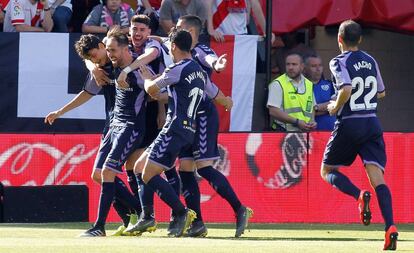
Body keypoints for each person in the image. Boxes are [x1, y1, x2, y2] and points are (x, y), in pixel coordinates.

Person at [173, 14, 253, 238]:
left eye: (178, 28)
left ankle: (239, 209)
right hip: (187, 116)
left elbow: (211, 60)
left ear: (190, 33)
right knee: (185, 169)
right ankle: (197, 222)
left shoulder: (200, 50)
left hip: (203, 114)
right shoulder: (179, 51)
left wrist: (217, 64)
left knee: (204, 167)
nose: (174, 32)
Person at [321, 20, 398, 251]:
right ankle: (390, 227)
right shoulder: (371, 60)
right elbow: (382, 93)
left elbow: (345, 88)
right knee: (378, 179)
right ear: (361, 39)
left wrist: (334, 107)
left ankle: (358, 195)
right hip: (372, 122)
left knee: (327, 171)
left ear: (339, 40)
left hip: (350, 122)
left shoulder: (338, 61)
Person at [125, 29, 203, 237]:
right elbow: (166, 96)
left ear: (174, 47)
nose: (168, 47)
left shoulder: (178, 68)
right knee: (139, 166)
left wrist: (148, 78)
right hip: (187, 128)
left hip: (174, 127)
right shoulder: (198, 69)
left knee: (147, 172)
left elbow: (151, 90)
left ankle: (181, 212)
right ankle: (148, 216)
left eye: (169, 44)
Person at [74, 30, 147, 237]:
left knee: (108, 172)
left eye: (111, 50)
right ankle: (135, 213)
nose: (110, 53)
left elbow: (154, 87)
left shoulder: (130, 64)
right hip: (112, 125)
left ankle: (103, 225)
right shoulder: (103, 67)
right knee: (98, 174)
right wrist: (92, 66)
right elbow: (87, 89)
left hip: (130, 125)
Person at [267, 53, 317, 132]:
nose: (290, 67)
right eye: (288, 64)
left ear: (302, 66)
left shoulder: (308, 84)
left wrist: (312, 121)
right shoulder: (277, 84)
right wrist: (297, 122)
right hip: (283, 132)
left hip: (304, 132)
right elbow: (273, 111)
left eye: (294, 64)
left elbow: (312, 107)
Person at [206, 0, 275, 43]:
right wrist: (211, 29)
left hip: (241, 36)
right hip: (219, 36)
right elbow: (207, 3)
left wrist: (266, 31)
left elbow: (255, 5)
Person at [303, 54, 336, 131]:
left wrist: (315, 108)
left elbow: (336, 105)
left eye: (320, 65)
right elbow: (303, 112)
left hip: (331, 132)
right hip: (309, 133)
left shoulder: (330, 84)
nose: (318, 69)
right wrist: (327, 109)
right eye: (314, 66)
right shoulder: (300, 87)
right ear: (304, 69)